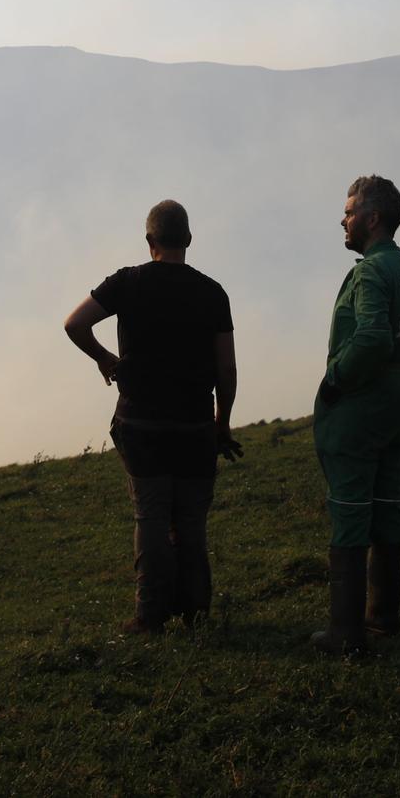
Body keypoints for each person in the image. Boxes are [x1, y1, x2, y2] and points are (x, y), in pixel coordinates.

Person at [64, 200, 240, 634]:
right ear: (189, 240)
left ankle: (149, 617)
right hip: (195, 426)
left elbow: (74, 324)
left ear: (149, 242)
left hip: (141, 425)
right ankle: (196, 613)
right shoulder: (213, 293)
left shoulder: (127, 282)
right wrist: (222, 422)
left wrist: (105, 358)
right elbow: (227, 370)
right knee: (192, 523)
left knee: (152, 518)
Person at [311, 175, 400, 653]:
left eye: (348, 211)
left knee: (349, 506)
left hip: (362, 403)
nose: (342, 220)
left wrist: (334, 379)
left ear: (372, 217)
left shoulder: (368, 273)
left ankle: (346, 632)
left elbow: (371, 338)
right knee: (388, 500)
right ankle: (383, 617)